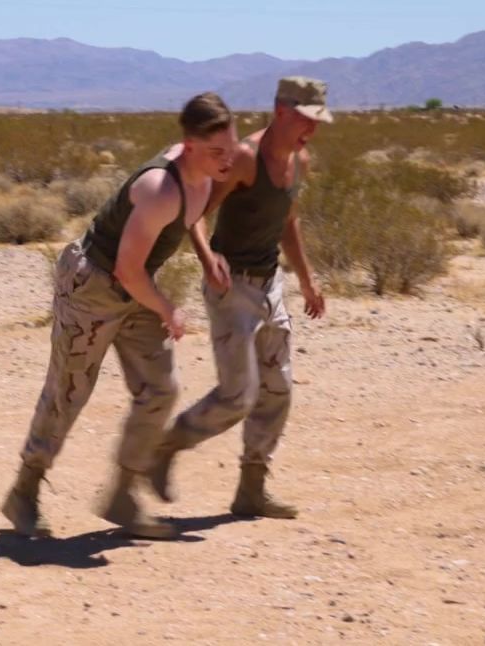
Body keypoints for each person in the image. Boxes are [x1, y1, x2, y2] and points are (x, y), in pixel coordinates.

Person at [2, 92, 239, 538]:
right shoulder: (159, 188)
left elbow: (193, 215)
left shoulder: (205, 173)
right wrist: (166, 307)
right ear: (188, 146)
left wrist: (207, 258)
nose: (228, 160)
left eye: (231, 148)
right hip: (93, 285)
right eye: (216, 152)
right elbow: (127, 269)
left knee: (160, 389)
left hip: (135, 287)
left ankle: (122, 496)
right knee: (68, 393)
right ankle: (24, 490)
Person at [148, 77, 331, 519]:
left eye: (318, 121)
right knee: (237, 396)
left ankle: (252, 489)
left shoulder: (299, 160)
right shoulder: (246, 158)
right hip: (232, 288)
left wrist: (307, 280)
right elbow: (195, 210)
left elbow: (288, 221)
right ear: (281, 111)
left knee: (277, 390)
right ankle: (166, 446)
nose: (312, 129)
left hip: (270, 285)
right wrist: (207, 257)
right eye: (306, 119)